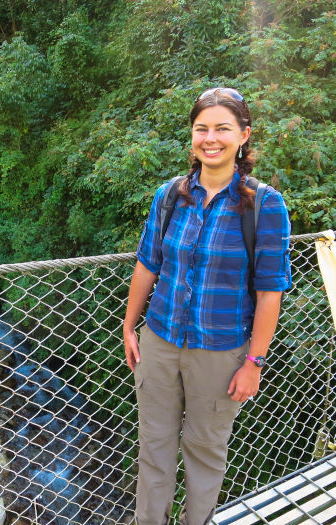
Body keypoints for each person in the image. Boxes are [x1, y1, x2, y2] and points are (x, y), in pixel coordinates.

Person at [122, 87, 291, 525]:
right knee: (153, 448)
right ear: (192, 135)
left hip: (220, 352)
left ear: (243, 135)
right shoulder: (170, 195)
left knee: (205, 452)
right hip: (159, 341)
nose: (210, 138)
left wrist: (254, 361)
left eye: (222, 128)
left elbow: (270, 289)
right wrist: (128, 326)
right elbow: (147, 264)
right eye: (202, 128)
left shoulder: (264, 204)